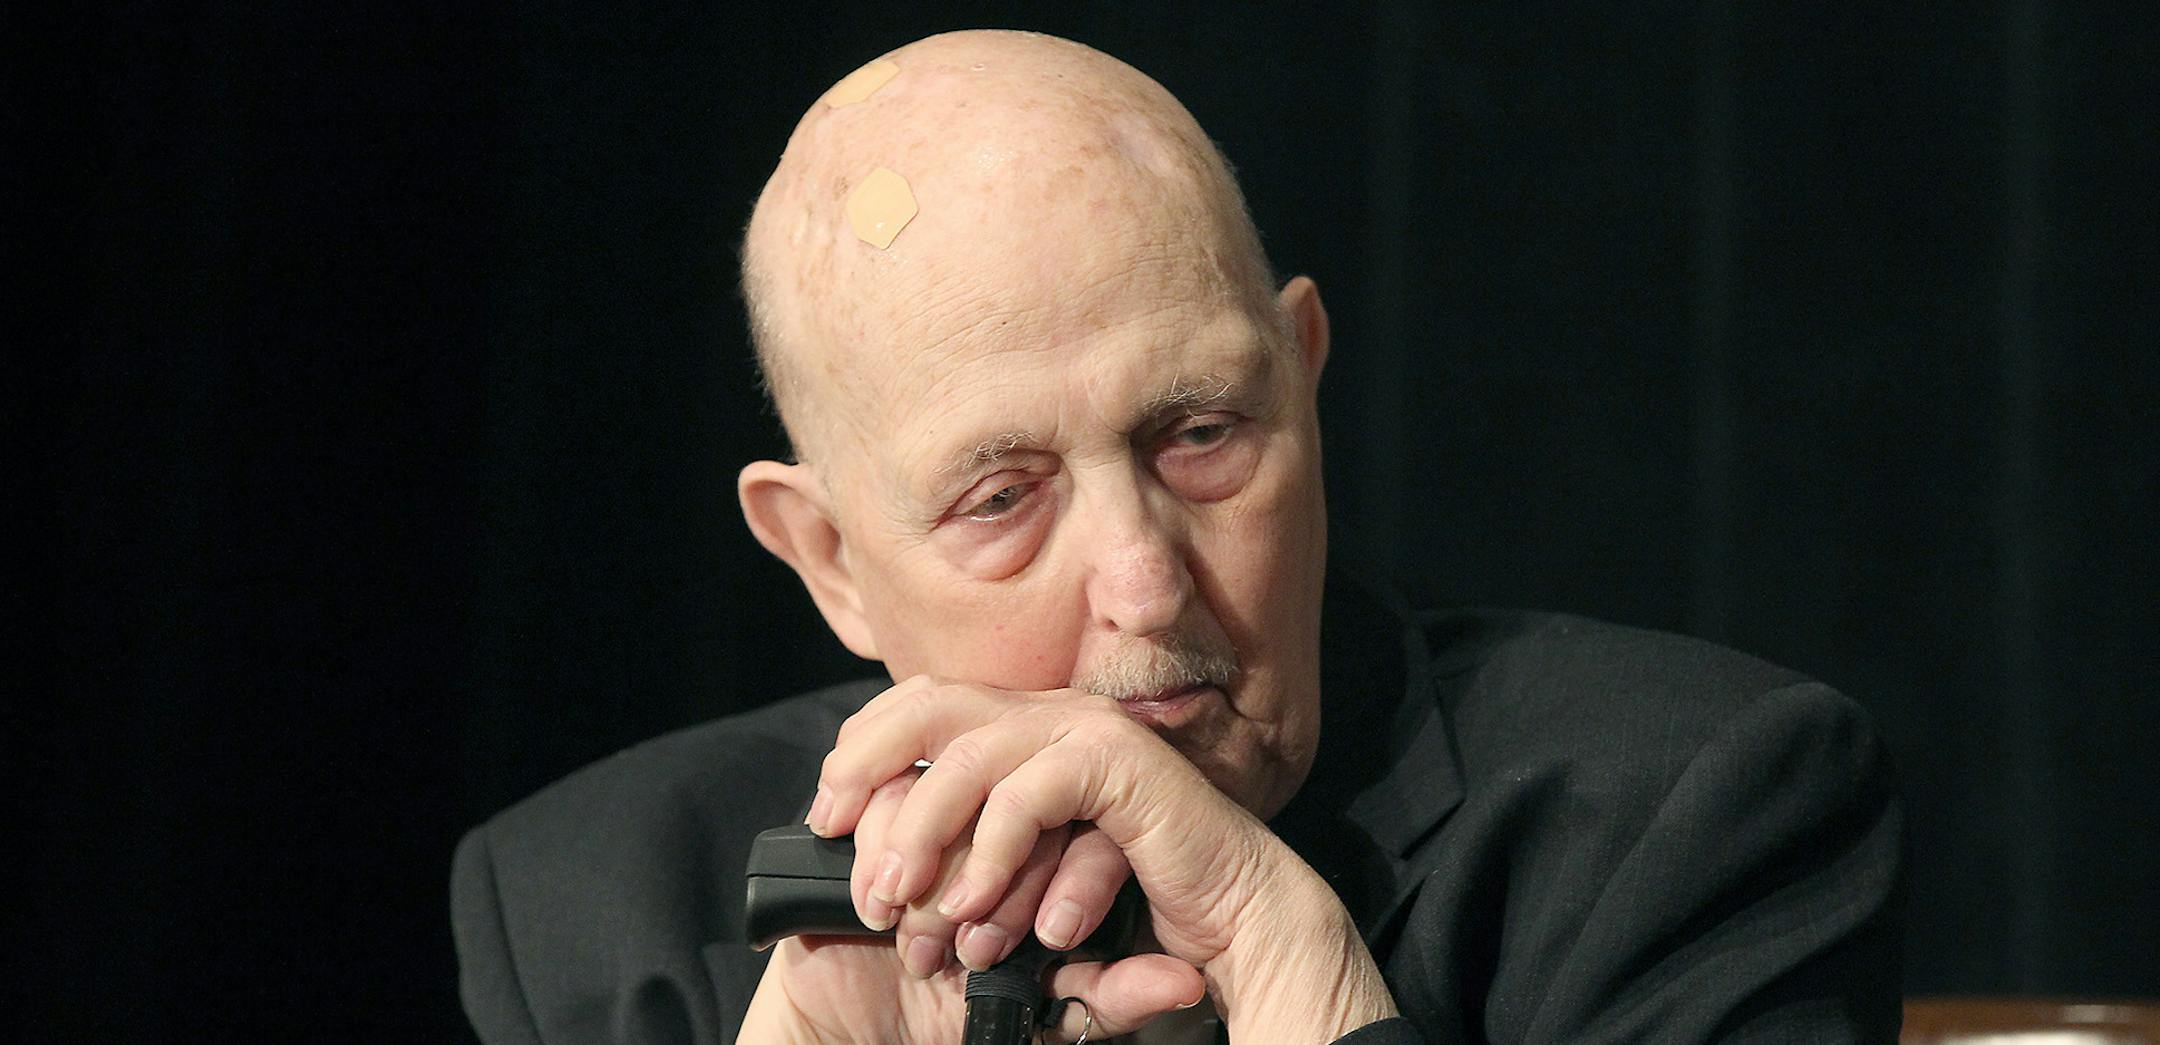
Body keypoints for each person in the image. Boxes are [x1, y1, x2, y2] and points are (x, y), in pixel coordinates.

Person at [452, 29, 1902, 1044]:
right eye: (1003, 498)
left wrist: (1300, 965)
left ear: (1306, 382)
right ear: (829, 558)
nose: (1146, 581)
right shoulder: (599, 907)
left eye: (1200, 433)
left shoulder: (1694, 812)